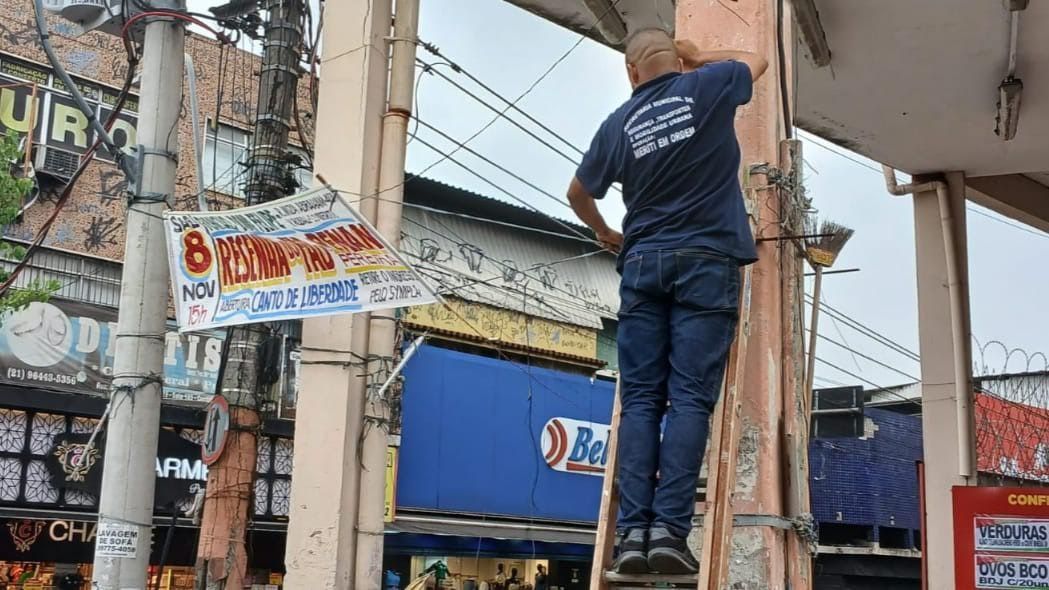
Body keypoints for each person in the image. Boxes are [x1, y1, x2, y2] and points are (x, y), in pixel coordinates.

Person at [566, 28, 768, 575]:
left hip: (642, 266)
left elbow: (577, 193)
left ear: (630, 72)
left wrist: (606, 233)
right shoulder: (708, 85)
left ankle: (632, 536)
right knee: (689, 400)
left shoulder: (618, 124)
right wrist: (700, 56)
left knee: (641, 401)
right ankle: (669, 535)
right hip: (706, 262)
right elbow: (757, 58)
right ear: (674, 60)